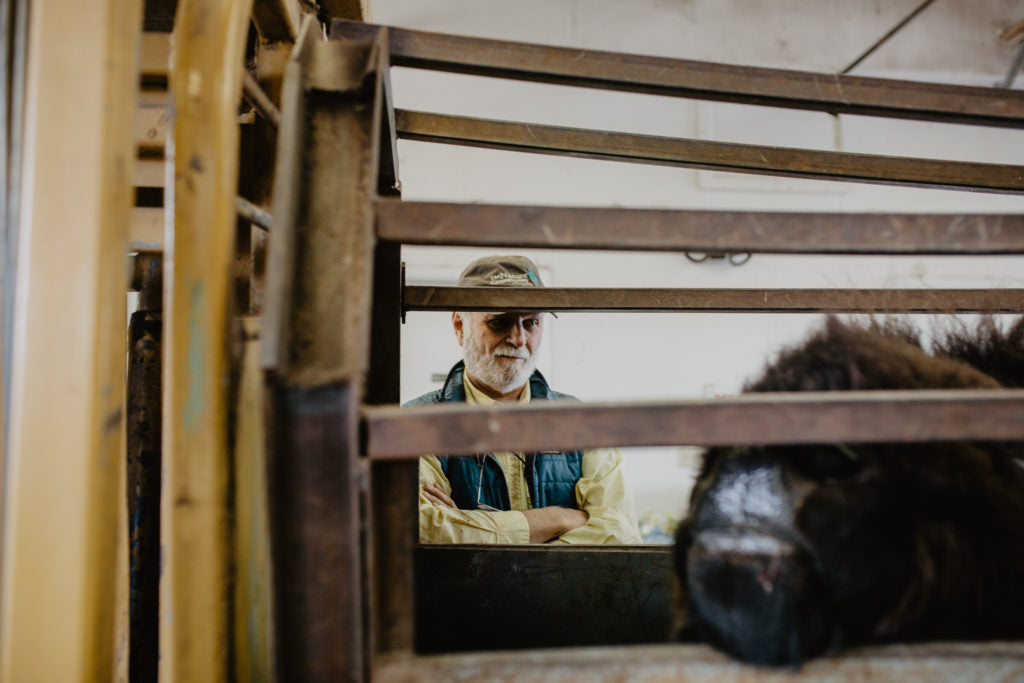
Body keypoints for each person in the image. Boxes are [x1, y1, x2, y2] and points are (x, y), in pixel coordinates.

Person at [406, 255, 642, 544]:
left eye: (530, 322)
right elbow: (419, 528)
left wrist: (466, 529)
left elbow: (620, 535)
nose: (517, 338)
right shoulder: (416, 425)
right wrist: (558, 519)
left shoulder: (585, 425)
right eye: (500, 322)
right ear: (459, 325)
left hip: (553, 592)